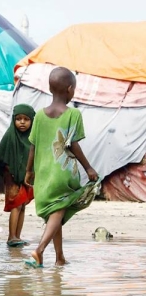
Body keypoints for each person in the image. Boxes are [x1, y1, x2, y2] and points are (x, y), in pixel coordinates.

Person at [24, 67, 100, 268]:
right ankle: (39, 251)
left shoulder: (39, 116)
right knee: (58, 211)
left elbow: (32, 146)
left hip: (43, 174)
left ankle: (59, 258)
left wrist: (29, 171)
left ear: (50, 88)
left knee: (55, 212)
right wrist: (89, 168)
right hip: (63, 173)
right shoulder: (73, 114)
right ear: (69, 89)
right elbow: (73, 144)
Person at [0, 104, 36, 247]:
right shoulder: (10, 136)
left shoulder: (32, 139)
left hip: (26, 179)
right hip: (13, 178)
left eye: (26, 119)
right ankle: (11, 236)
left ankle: (18, 236)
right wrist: (10, 171)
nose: (22, 122)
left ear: (32, 121)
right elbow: (0, 157)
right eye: (19, 119)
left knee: (22, 207)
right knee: (16, 206)